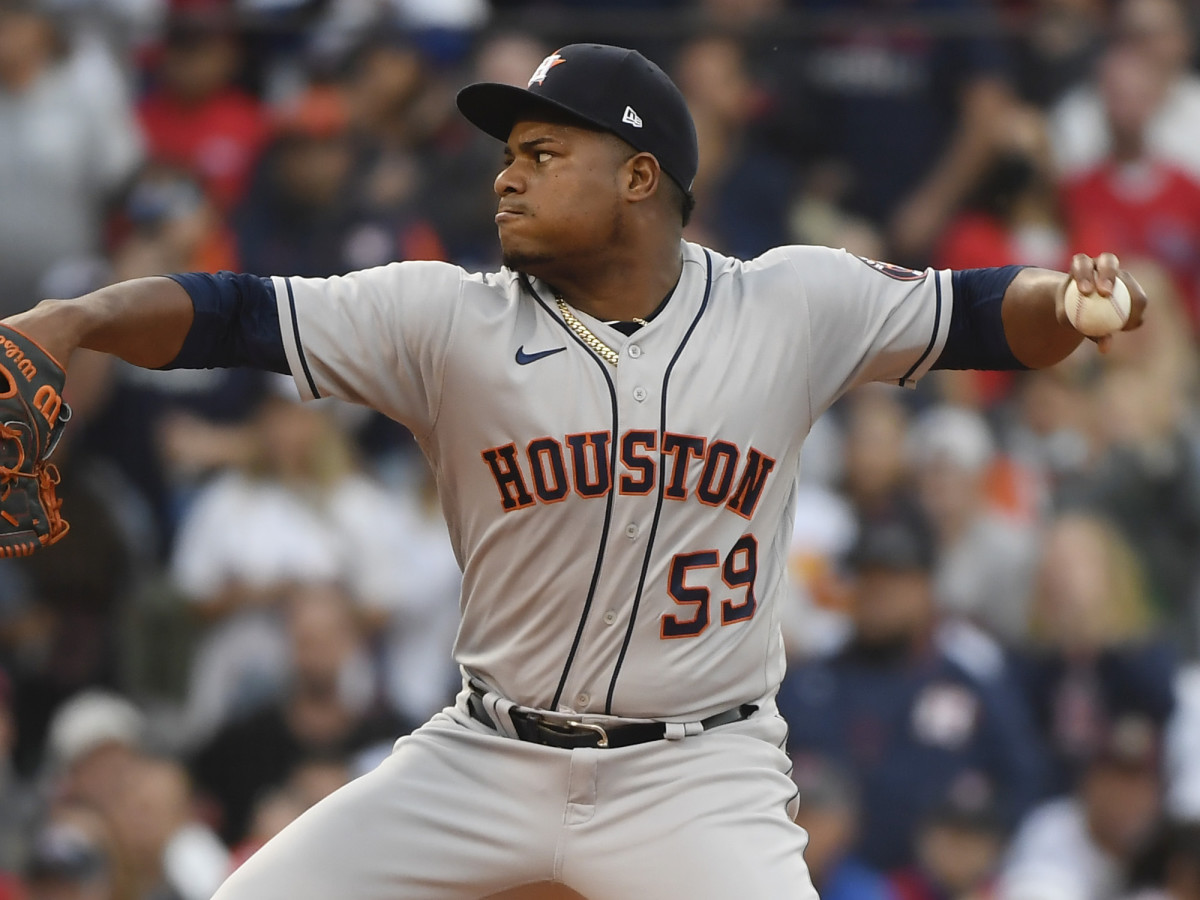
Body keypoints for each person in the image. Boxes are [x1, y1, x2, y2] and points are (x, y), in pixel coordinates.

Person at [3, 41, 1146, 900]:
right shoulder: (446, 318)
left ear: (641, 177)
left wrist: (1069, 301)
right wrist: (77, 317)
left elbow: (987, 316)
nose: (509, 177)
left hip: (696, 776)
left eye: (545, 154)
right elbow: (229, 315)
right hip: (484, 754)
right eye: (509, 155)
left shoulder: (792, 302)